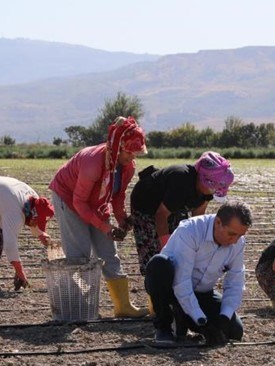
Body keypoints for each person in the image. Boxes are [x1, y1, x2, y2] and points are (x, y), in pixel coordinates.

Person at [49, 116, 148, 318]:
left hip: (96, 202)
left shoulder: (128, 167)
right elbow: (80, 203)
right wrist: (105, 228)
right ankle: (78, 308)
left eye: (136, 153)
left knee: (109, 252)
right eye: (129, 152)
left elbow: (117, 197)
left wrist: (122, 220)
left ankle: (123, 307)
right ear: (117, 148)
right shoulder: (92, 163)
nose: (133, 157)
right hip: (69, 199)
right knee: (80, 254)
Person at [130, 151, 234, 312]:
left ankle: (175, 301)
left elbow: (197, 219)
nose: (215, 192)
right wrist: (166, 249)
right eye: (214, 188)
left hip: (173, 208)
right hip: (147, 207)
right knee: (155, 257)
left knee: (183, 250)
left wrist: (199, 247)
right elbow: (161, 215)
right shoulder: (182, 181)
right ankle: (157, 305)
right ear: (204, 180)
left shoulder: (206, 190)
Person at [145, 201, 252, 345]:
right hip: (173, 289)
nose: (235, 241)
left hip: (202, 292)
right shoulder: (190, 231)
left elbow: (236, 281)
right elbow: (181, 281)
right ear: (218, 222)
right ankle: (164, 326)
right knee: (159, 264)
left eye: (240, 235)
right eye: (231, 234)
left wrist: (224, 317)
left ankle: (183, 317)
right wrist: (201, 321)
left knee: (234, 332)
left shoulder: (238, 242)